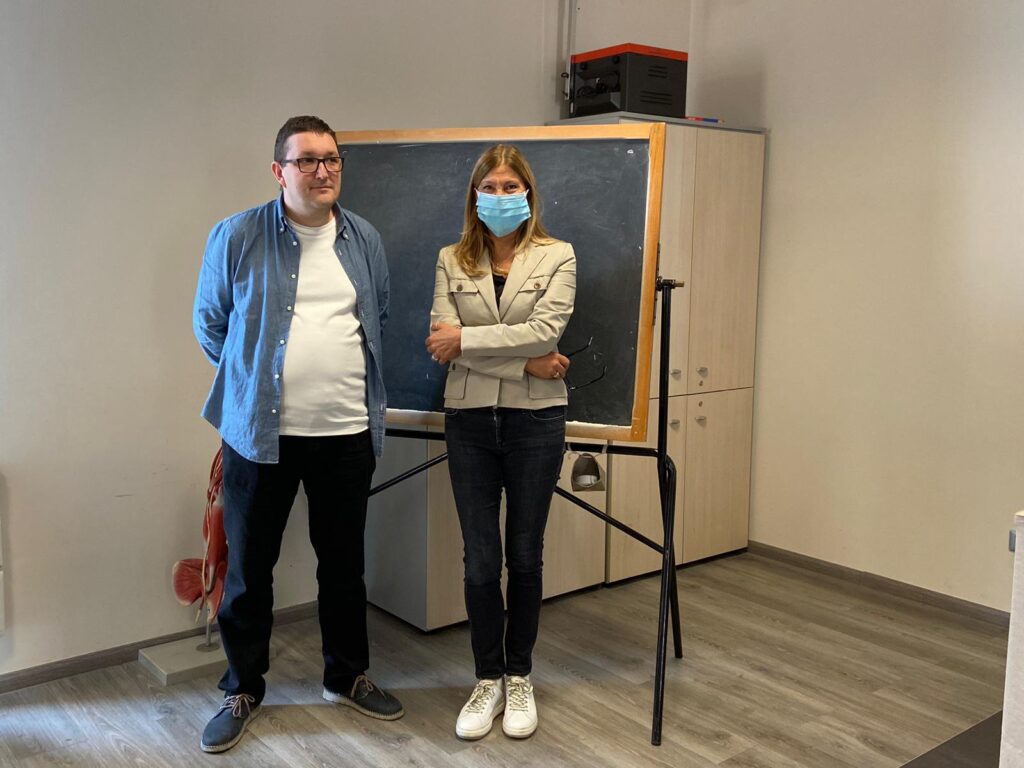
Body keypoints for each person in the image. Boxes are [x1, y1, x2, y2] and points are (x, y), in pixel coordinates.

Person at [193, 115, 401, 754]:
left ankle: (346, 676)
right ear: (278, 171)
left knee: (343, 566)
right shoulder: (237, 235)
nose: (322, 171)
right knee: (249, 572)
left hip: (346, 431)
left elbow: (378, 315)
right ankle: (242, 688)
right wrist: (252, 384)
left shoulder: (364, 238)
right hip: (259, 438)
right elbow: (210, 324)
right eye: (306, 160)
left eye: (331, 158)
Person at [425, 144, 576, 740]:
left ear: (529, 193)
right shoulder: (450, 259)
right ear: (475, 195)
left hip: (536, 422)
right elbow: (440, 340)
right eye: (490, 186)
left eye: (512, 186)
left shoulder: (558, 255)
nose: (501, 195)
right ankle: (487, 678)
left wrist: (469, 341)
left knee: (526, 554)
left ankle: (520, 676)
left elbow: (545, 330)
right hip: (469, 421)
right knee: (482, 559)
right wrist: (523, 364)